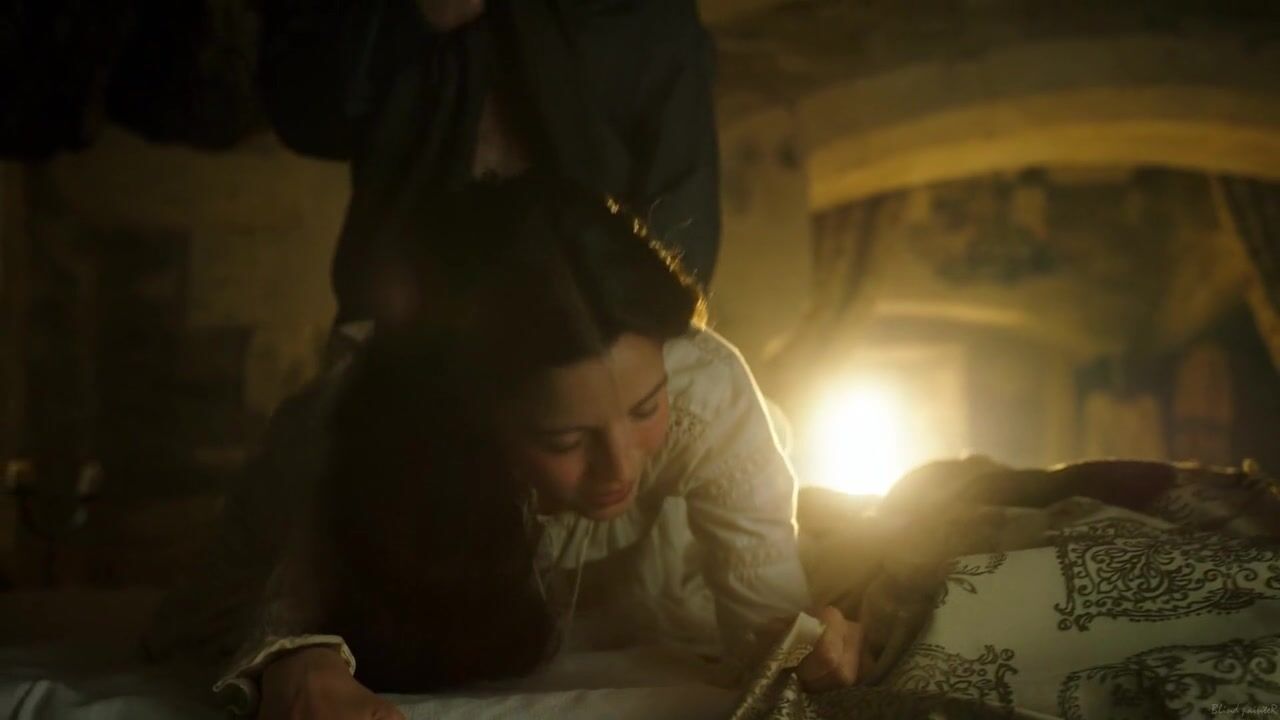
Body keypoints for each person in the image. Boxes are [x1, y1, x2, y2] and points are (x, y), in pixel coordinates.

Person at [142, 176, 863, 718]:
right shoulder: (378, 429)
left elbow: (769, 622)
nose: (619, 468)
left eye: (647, 410)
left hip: (635, 568)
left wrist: (813, 648)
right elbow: (283, 612)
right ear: (477, 418)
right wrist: (303, 664)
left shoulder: (710, 396)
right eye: (566, 438)